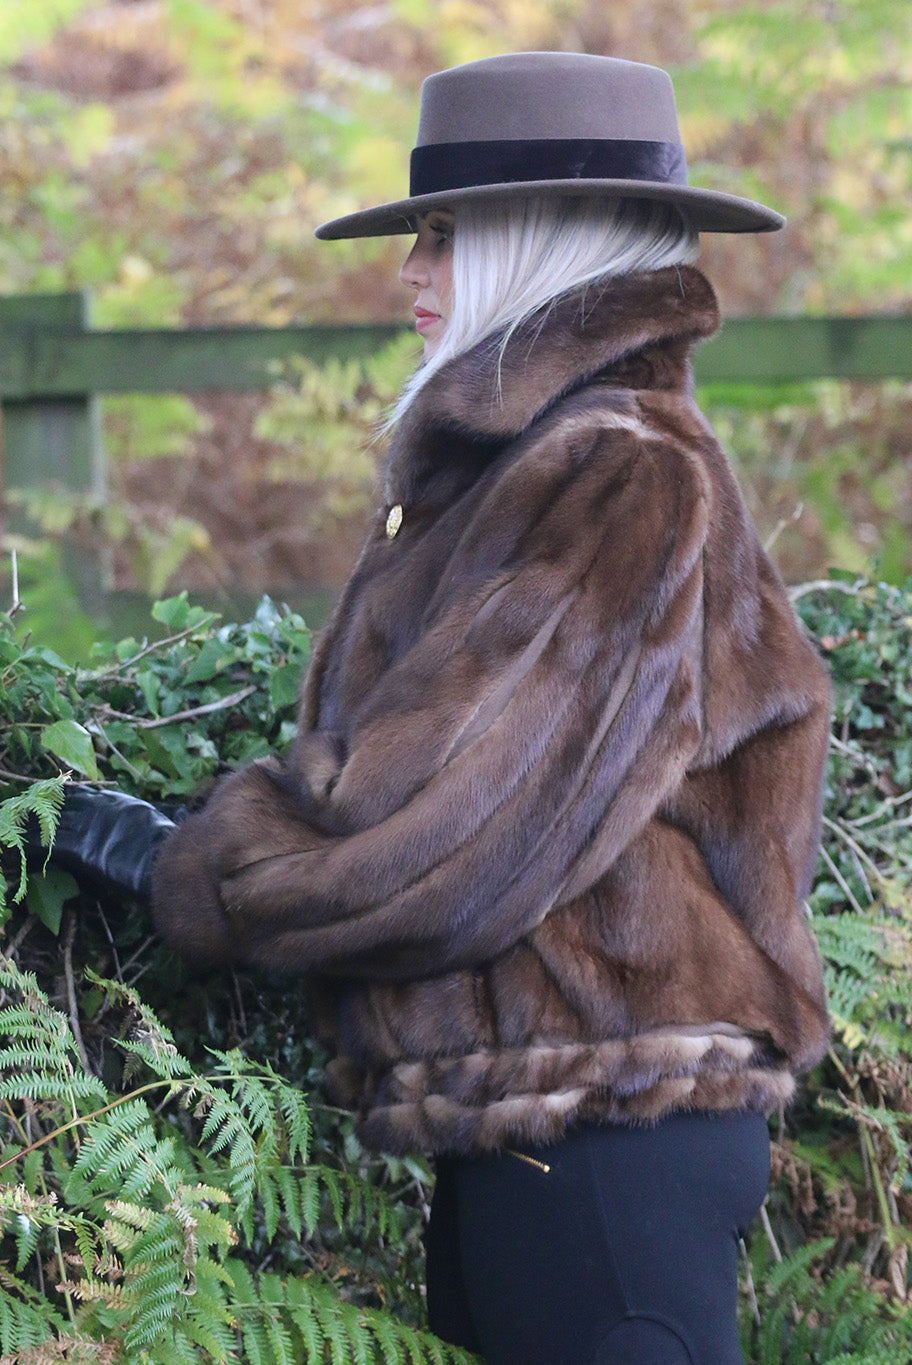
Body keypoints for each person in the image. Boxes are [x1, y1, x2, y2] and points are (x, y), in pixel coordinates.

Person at [45, 52, 832, 1365]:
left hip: (604, 1139)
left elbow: (444, 836)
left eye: (444, 237)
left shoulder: (610, 475)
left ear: (545, 247)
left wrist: (181, 869)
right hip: (553, 1127)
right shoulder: (542, 466)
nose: (409, 273)